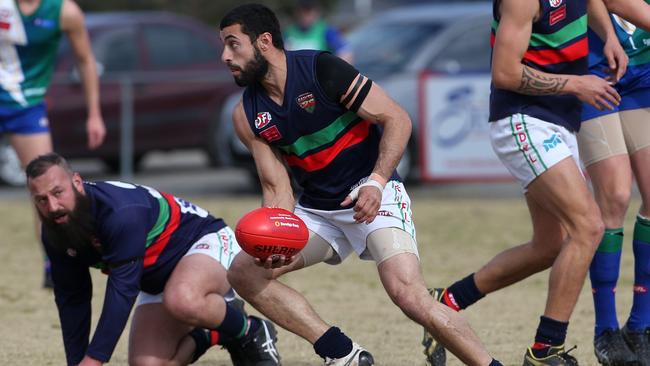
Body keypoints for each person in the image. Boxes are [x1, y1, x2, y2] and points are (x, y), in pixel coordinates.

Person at [219, 4, 502, 366]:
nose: (225, 56)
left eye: (233, 44)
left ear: (264, 41)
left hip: (372, 195)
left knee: (408, 294)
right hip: (318, 211)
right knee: (244, 272)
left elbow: (397, 118)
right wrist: (276, 233)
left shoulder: (322, 70)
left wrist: (377, 181)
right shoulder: (246, 113)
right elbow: (277, 189)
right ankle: (342, 353)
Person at [420, 0, 628, 365]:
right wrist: (577, 83)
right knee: (588, 227)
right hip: (523, 120)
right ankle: (546, 350)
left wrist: (609, 35)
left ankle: (447, 302)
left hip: (558, 122)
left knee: (551, 245)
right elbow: (504, 73)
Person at [26, 152, 281, 366]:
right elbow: (73, 300)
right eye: (41, 199)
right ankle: (212, 333)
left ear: (77, 183)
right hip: (157, 278)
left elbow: (123, 289)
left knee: (182, 299)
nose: (52, 206)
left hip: (205, 241)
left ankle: (249, 331)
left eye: (58, 192)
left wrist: (95, 359)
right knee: (147, 364)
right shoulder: (55, 230)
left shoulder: (120, 212)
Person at [0, 0, 106, 288]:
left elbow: (85, 60)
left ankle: (55, 261)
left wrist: (94, 114)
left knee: (46, 185)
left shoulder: (64, 11)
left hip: (27, 107)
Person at [576, 0, 650, 364]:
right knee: (616, 196)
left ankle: (640, 326)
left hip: (643, 71)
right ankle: (605, 329)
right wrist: (609, 33)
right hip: (595, 71)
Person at [284, 0, 353, 63]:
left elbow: (346, 53)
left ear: (316, 12)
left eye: (308, 10)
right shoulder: (289, 32)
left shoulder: (326, 30)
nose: (305, 15)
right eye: (302, 11)